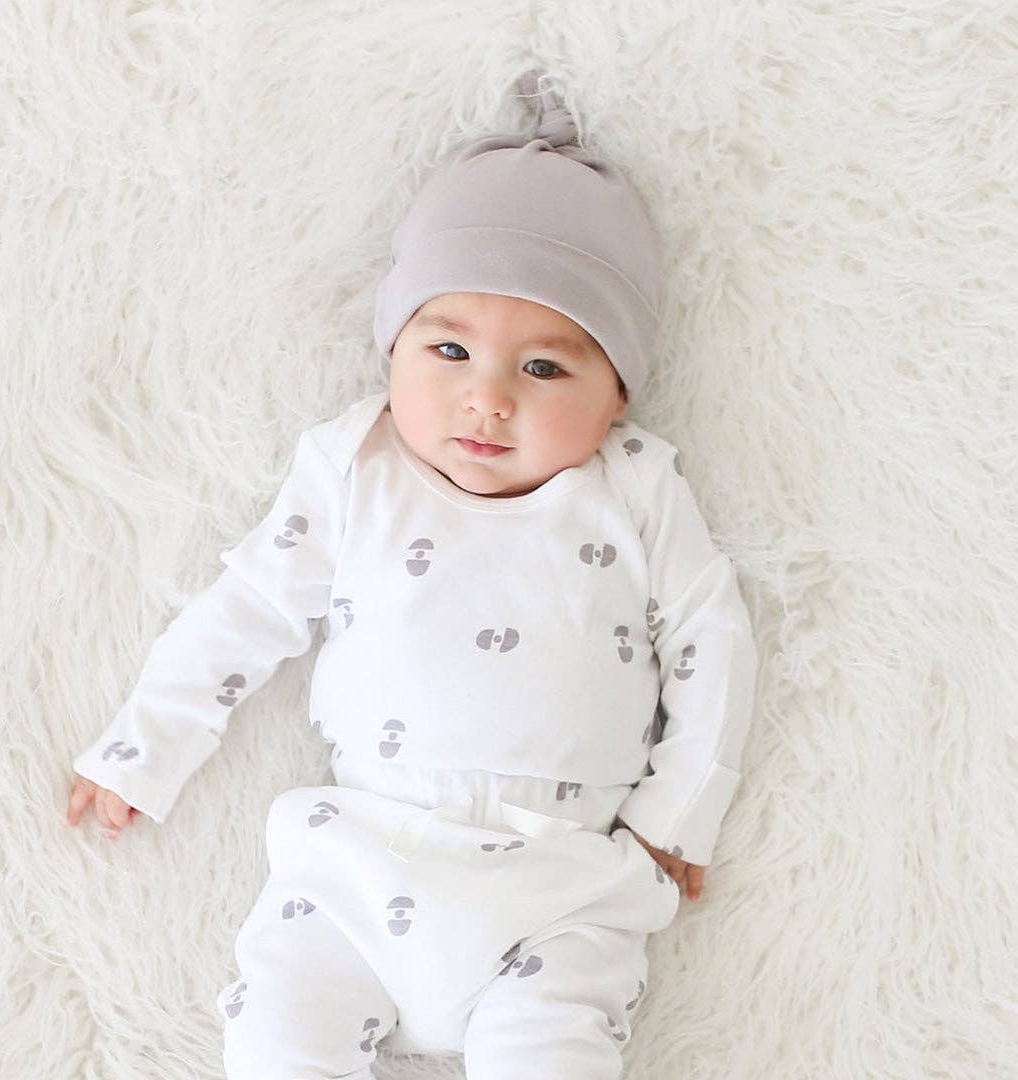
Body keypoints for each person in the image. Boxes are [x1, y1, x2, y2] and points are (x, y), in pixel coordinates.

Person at [65, 70, 758, 1079]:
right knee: (279, 1033)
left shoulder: (636, 488)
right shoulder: (356, 466)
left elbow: (711, 638)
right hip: (358, 869)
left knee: (554, 1050)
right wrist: (145, 745)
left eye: (545, 368)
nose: (488, 399)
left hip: (561, 890)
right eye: (448, 349)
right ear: (392, 350)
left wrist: (678, 812)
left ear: (618, 395)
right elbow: (249, 607)